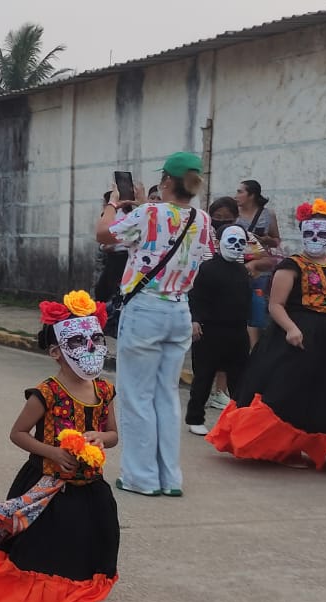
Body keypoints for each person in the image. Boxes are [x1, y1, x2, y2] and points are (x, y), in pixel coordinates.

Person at [0, 291, 120, 602]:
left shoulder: (104, 389)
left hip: (90, 487)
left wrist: (99, 438)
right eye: (76, 341)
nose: (89, 347)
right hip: (47, 488)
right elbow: (18, 434)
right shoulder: (46, 393)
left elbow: (113, 433)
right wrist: (54, 452)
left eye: (95, 339)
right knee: (49, 553)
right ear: (56, 351)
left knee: (89, 550)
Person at [208, 199, 326, 479]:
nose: (315, 239)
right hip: (297, 333)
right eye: (310, 233)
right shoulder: (291, 266)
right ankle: (287, 448)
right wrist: (292, 329)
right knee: (289, 393)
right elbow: (275, 305)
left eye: (322, 234)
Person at [95, 151, 215, 497]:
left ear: (165, 182)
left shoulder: (149, 212)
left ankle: (141, 477)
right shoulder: (202, 219)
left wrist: (113, 204)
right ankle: (169, 477)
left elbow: (104, 235)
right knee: (166, 395)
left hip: (145, 310)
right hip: (179, 309)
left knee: (136, 395)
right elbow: (203, 255)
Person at [185, 224, 252, 437]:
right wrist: (195, 321)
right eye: (232, 241)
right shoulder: (208, 268)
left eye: (241, 242)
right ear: (220, 242)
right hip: (210, 331)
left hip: (237, 331)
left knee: (239, 379)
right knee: (203, 377)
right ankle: (195, 418)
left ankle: (240, 419)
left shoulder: (243, 271)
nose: (236, 246)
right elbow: (196, 296)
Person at [235, 179, 283, 344]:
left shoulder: (267, 214)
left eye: (240, 192)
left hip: (260, 267)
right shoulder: (233, 213)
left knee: (256, 306)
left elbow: (276, 241)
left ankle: (254, 347)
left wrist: (266, 239)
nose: (236, 196)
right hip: (237, 265)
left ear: (252, 195)